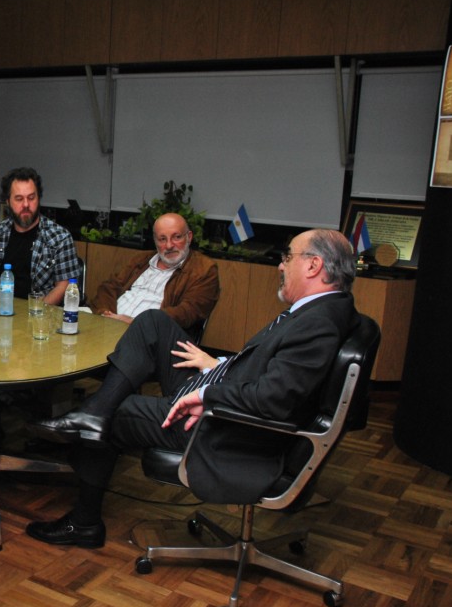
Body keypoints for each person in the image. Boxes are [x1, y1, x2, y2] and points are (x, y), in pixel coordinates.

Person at [25, 229, 358, 548]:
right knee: (153, 322)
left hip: (223, 424)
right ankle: (94, 414)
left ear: (313, 265)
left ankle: (84, 520)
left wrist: (206, 395)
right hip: (222, 388)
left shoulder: (318, 324)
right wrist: (216, 364)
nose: (281, 266)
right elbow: (270, 372)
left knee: (119, 408)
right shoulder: (322, 311)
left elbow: (273, 399)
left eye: (288, 257)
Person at [90, 213, 219, 337]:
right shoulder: (141, 259)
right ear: (155, 241)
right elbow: (109, 287)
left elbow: (188, 312)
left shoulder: (204, 269)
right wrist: (106, 315)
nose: (169, 245)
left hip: (152, 336)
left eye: (177, 237)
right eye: (162, 239)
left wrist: (136, 322)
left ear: (189, 237)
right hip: (109, 326)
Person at [0, 167, 81, 305]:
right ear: (8, 201)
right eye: (19, 199)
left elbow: (63, 285)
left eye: (31, 198)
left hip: (42, 313)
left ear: (39, 198)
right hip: (0, 311)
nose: (26, 204)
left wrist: (37, 311)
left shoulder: (60, 238)